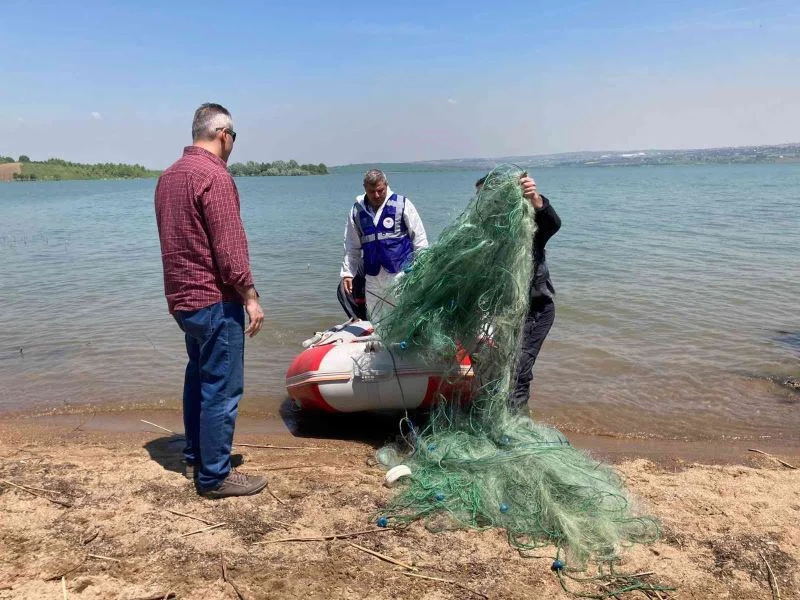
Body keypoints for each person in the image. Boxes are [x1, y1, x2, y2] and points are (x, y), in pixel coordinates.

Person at [154, 102, 266, 498]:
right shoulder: (214, 176)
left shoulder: (168, 178)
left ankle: (195, 456)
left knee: (198, 377)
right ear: (223, 135)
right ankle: (214, 476)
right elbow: (230, 249)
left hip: (183, 301)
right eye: (234, 137)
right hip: (215, 299)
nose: (234, 145)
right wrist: (250, 296)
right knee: (222, 387)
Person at [476, 173, 561, 413]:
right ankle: (503, 415)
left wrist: (535, 198)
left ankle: (514, 423)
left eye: (488, 197)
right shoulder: (484, 235)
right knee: (502, 368)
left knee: (519, 367)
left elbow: (552, 223)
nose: (483, 203)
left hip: (536, 310)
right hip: (504, 314)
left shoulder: (527, 227)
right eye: (480, 198)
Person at [341, 169, 428, 321]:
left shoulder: (403, 204)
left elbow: (419, 238)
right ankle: (380, 341)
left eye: (380, 190)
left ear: (387, 185)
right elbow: (351, 246)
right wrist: (348, 273)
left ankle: (405, 343)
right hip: (373, 275)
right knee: (376, 317)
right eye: (371, 191)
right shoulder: (356, 211)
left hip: (400, 272)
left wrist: (423, 267)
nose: (376, 195)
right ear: (364, 188)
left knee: (404, 315)